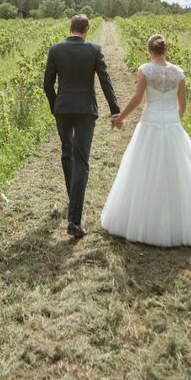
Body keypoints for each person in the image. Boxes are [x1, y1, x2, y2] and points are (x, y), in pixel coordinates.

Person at [100, 34, 191, 247]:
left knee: (144, 171)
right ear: (166, 50)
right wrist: (175, 121)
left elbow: (138, 98)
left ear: (150, 50)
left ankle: (146, 223)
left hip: (150, 123)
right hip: (172, 125)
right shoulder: (179, 73)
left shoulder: (145, 70)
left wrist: (121, 117)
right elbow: (182, 104)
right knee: (178, 172)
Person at [42, 14, 121, 238]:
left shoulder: (55, 50)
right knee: (82, 161)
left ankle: (72, 198)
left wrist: (55, 104)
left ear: (70, 28)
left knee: (67, 154)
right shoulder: (94, 50)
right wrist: (115, 109)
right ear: (87, 29)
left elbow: (47, 84)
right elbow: (105, 80)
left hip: (63, 109)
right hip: (86, 110)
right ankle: (74, 220)